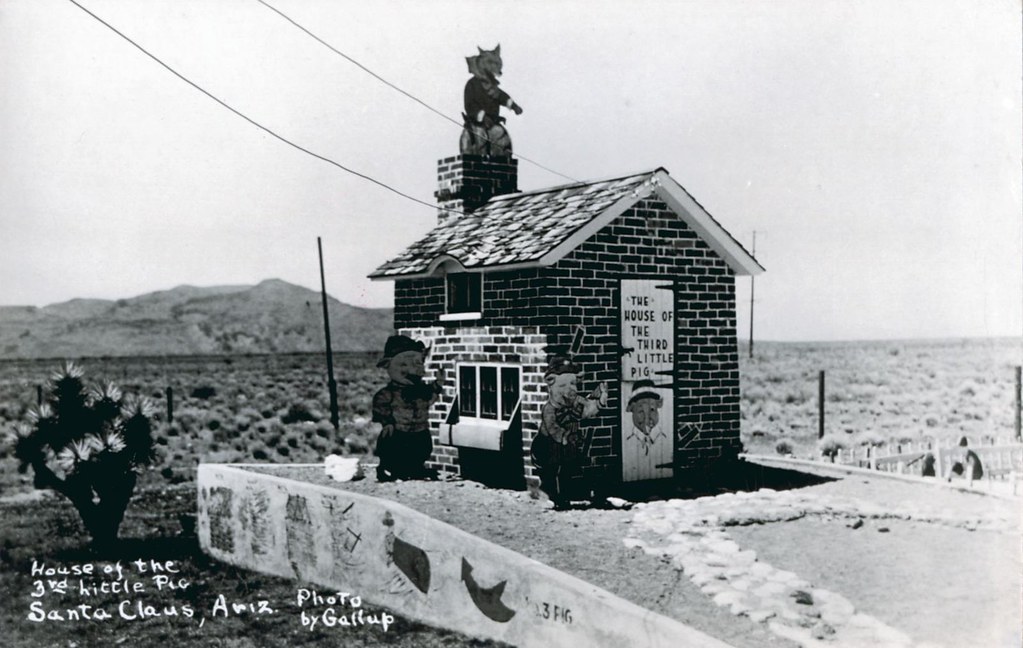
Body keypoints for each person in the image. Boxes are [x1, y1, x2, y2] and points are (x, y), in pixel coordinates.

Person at [529, 355, 608, 510]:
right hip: (548, 446)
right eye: (563, 385)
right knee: (551, 471)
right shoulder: (550, 408)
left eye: (572, 383)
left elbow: (587, 410)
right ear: (551, 384)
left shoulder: (576, 402)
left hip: (568, 445)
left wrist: (600, 401)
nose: (569, 389)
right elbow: (553, 428)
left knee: (567, 469)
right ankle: (552, 496)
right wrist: (566, 436)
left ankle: (565, 495)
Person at [372, 335, 442, 481]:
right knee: (392, 447)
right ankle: (389, 469)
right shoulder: (389, 393)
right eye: (404, 365)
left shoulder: (421, 390)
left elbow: (430, 397)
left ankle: (416, 468)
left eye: (416, 364)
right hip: (399, 430)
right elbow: (381, 405)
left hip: (420, 430)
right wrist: (387, 421)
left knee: (422, 448)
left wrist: (438, 385)